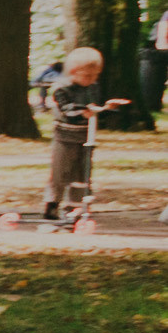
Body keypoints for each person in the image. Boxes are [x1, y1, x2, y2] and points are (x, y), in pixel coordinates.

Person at [45, 46, 131, 220]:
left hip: (86, 136)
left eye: (96, 76)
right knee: (61, 171)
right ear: (74, 72)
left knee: (82, 172)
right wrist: (82, 111)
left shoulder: (91, 87)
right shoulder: (61, 89)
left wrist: (106, 107)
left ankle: (76, 208)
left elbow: (94, 108)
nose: (92, 80)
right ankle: (51, 207)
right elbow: (67, 109)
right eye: (88, 76)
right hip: (65, 137)